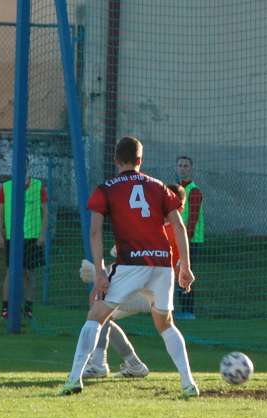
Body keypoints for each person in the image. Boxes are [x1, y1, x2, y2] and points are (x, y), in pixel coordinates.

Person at [60, 136, 198, 398]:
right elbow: (179, 227)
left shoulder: (106, 189)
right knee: (166, 324)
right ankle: (188, 383)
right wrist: (185, 267)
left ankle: (74, 378)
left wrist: (100, 272)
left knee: (96, 315)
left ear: (115, 160)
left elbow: (95, 232)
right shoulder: (158, 187)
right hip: (161, 264)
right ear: (140, 161)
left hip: (131, 263)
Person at [79, 183, 187, 379]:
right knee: (104, 314)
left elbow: (133, 262)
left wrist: (98, 271)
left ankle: (99, 364)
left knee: (99, 307)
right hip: (155, 289)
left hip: (147, 290)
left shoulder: (160, 229)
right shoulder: (170, 229)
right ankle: (133, 364)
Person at [0, 173, 48, 320]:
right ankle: (5, 309)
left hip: (32, 236)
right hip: (13, 237)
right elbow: (0, 213)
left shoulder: (38, 186)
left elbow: (45, 213)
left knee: (28, 274)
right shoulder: (6, 187)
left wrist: (43, 234)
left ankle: (28, 308)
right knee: (10, 271)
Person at [175, 155, 203, 320]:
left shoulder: (194, 191)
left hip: (189, 241)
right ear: (176, 168)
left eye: (186, 166)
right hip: (178, 240)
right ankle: (183, 309)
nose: (182, 168)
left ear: (191, 169)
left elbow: (193, 218)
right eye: (180, 165)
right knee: (178, 273)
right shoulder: (175, 189)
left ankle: (189, 311)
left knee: (185, 273)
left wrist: (186, 238)